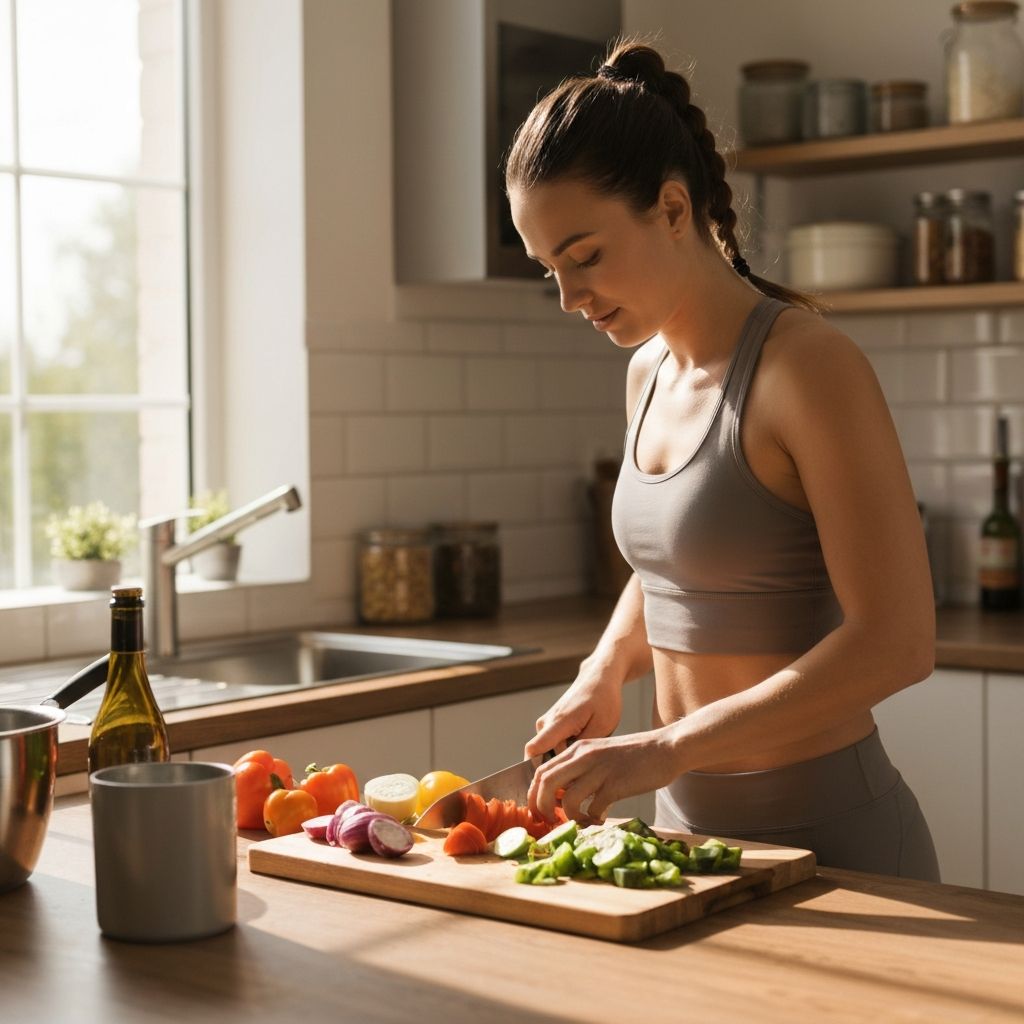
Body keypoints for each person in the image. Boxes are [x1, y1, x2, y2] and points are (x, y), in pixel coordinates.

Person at [506, 39, 940, 881]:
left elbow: (898, 643)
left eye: (585, 256)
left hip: (839, 848)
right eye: (549, 269)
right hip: (688, 843)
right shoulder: (647, 372)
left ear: (673, 208)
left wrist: (664, 747)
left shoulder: (808, 366)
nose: (569, 297)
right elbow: (677, 558)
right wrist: (604, 671)